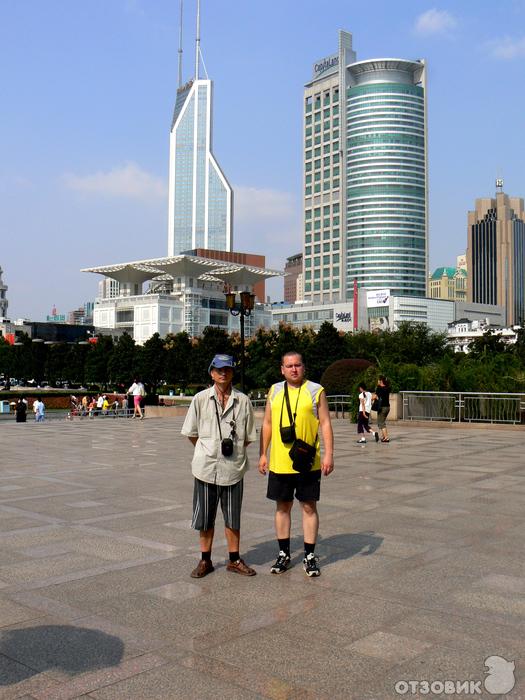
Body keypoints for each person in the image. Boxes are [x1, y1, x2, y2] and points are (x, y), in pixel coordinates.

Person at [181, 354, 257, 579]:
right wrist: (208, 449)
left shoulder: (243, 400)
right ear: (211, 372)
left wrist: (233, 450)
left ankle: (234, 559)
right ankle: (205, 560)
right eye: (219, 369)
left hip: (233, 467)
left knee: (233, 517)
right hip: (206, 468)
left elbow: (249, 436)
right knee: (205, 518)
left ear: (233, 372)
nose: (223, 373)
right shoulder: (200, 399)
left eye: (228, 369)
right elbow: (191, 433)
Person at [259, 351, 334, 577]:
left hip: (307, 462)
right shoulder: (274, 390)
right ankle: (284, 554)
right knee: (282, 507)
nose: (294, 369)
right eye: (289, 366)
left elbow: (326, 423)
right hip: (280, 462)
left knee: (309, 507)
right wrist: (263, 453)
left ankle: (309, 555)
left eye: (297, 365)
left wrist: (329, 454)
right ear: (282, 369)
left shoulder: (316, 390)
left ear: (304, 367)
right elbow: (267, 423)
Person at [373, 375, 391, 443]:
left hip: (382, 407)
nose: (377, 381)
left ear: (380, 381)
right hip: (387, 407)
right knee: (381, 421)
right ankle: (383, 437)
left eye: (378, 380)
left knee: (381, 423)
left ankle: (386, 438)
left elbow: (375, 397)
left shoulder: (379, 388)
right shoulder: (387, 388)